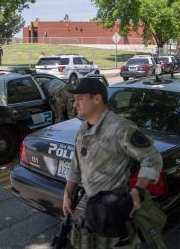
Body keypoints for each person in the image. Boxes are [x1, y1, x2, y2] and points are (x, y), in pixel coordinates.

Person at [63, 78, 163, 248]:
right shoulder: (83, 129)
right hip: (94, 212)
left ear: (97, 99)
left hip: (115, 212)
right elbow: (76, 163)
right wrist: (67, 193)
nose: (74, 105)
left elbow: (152, 158)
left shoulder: (121, 128)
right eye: (74, 100)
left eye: (79, 99)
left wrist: (138, 190)